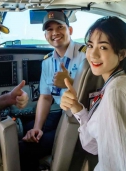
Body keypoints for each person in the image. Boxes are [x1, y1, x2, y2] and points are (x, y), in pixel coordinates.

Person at [60, 16, 126, 171]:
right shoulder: (114, 85)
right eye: (90, 45)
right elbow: (93, 145)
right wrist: (77, 108)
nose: (92, 55)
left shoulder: (117, 91)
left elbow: (121, 164)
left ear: (121, 54)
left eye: (103, 47)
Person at [20, 11, 86, 170]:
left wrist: (69, 83)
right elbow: (45, 97)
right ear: (45, 36)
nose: (55, 33)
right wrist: (37, 127)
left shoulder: (85, 55)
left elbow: (94, 93)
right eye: (49, 29)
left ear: (70, 31)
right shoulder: (47, 61)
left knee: (24, 149)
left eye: (60, 27)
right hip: (62, 114)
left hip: (79, 117)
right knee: (26, 127)